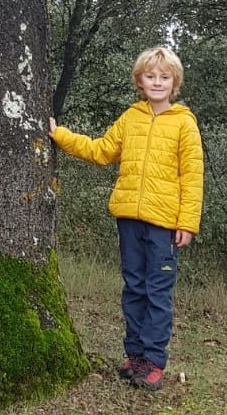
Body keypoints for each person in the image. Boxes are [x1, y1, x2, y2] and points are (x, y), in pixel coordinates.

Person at [49, 45, 203, 392]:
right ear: (140, 80)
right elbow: (101, 150)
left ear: (174, 82)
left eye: (164, 77)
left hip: (165, 224)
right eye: (151, 76)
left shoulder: (184, 124)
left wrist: (187, 223)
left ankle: (153, 360)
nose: (157, 82)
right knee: (134, 286)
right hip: (129, 218)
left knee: (157, 291)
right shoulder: (130, 118)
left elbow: (192, 177)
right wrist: (60, 135)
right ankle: (133, 354)